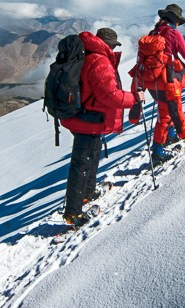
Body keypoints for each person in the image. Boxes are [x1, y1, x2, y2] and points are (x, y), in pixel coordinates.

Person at [59, 28, 138, 226]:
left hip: (83, 116)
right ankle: (73, 214)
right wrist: (134, 98)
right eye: (112, 45)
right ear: (108, 45)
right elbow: (109, 95)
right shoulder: (100, 61)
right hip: (89, 118)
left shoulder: (87, 56)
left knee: (91, 154)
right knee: (80, 163)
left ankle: (89, 192)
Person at [133, 4, 185, 165]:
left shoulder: (153, 33)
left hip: (151, 81)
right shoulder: (173, 33)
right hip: (167, 81)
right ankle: (157, 150)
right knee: (165, 115)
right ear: (175, 20)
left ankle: (170, 135)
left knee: (165, 109)